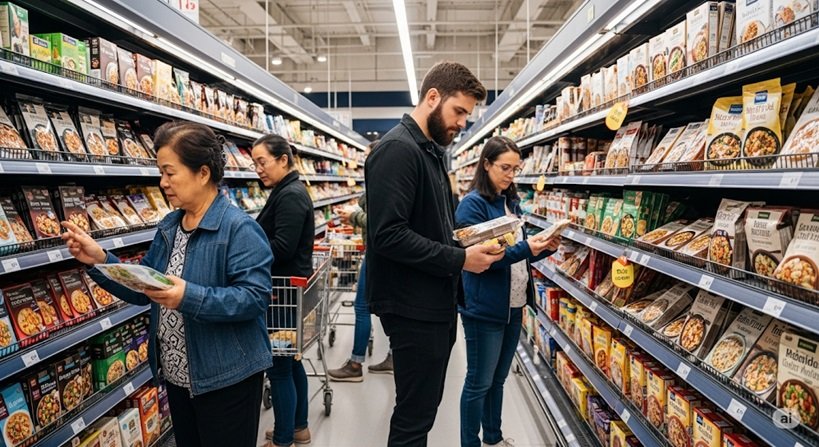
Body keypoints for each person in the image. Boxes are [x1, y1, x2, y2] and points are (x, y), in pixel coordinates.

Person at [61, 122, 273, 447]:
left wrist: (188, 296)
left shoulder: (239, 229)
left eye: (170, 173)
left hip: (226, 379)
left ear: (202, 173)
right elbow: (142, 285)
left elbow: (254, 298)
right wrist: (99, 259)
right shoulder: (170, 226)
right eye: (161, 172)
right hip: (177, 376)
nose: (163, 183)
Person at [366, 61, 503, 447]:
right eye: (459, 110)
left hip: (431, 303)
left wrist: (468, 243)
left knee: (422, 413)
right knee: (413, 419)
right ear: (432, 98)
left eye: (467, 115)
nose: (462, 122)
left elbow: (432, 226)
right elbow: (388, 235)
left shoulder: (428, 151)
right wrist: (461, 260)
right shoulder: (397, 150)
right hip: (412, 308)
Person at [455, 136, 560, 447]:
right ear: (486, 164)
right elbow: (486, 259)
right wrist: (526, 246)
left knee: (498, 380)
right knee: (479, 382)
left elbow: (518, 254)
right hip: (484, 306)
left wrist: (543, 248)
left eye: (516, 168)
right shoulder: (472, 205)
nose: (511, 175)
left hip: (513, 304)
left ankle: (494, 438)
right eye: (505, 167)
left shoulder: (511, 202)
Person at [251, 134, 314, 447]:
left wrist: (245, 254)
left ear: (283, 160)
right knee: (291, 361)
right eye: (255, 163)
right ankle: (299, 426)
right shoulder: (285, 190)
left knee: (278, 368)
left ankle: (284, 438)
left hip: (282, 292)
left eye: (262, 162)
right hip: (287, 292)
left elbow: (283, 247)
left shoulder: (290, 195)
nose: (258, 169)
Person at [327, 147, 394, 381]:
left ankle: (355, 365)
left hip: (379, 253)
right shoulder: (392, 179)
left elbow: (380, 222)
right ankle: (394, 355)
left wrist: (353, 216)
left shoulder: (384, 182)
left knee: (362, 307)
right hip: (385, 253)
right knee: (387, 308)